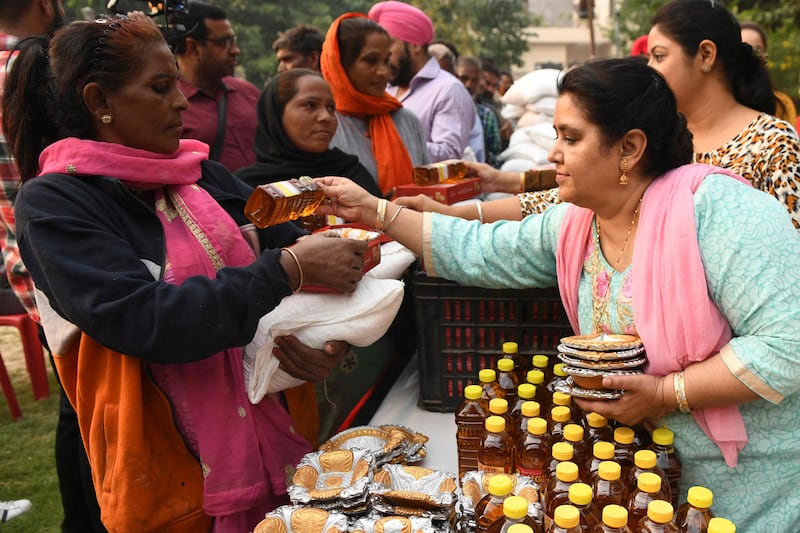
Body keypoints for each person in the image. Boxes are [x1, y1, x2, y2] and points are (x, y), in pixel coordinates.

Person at [317, 58, 800, 531]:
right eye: (555, 136)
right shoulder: (578, 222)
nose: (553, 154)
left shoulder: (719, 211)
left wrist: (664, 393)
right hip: (640, 472)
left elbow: (788, 344)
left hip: (747, 478)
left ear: (629, 147)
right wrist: (377, 211)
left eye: (570, 138)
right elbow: (480, 249)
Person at [3, 15, 368, 532]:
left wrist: (325, 342)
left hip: (280, 429)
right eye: (159, 87)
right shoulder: (57, 203)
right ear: (99, 103)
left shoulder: (200, 174)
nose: (180, 101)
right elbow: (142, 319)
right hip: (169, 467)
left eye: (175, 82)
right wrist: (284, 271)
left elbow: (296, 248)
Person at [0, 2, 108, 532]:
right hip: (76, 254)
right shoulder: (49, 68)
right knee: (97, 410)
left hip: (23, 258)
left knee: (79, 407)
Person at [648, 0, 800, 229]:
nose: (650, 68)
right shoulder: (654, 138)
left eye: (659, 56)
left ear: (706, 55)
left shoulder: (773, 142)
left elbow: (791, 245)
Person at [320, 13, 428, 196]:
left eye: (386, 61)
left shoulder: (406, 120)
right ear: (340, 64)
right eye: (370, 61)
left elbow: (428, 188)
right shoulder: (323, 123)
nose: (384, 72)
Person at [368, 0, 475, 162]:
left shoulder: (448, 90)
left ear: (415, 45)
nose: (384, 55)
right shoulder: (385, 88)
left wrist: (388, 141)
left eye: (389, 45)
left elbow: (450, 155)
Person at [171, 0, 260, 172]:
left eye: (233, 41)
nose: (235, 50)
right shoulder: (168, 105)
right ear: (193, 48)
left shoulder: (248, 92)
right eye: (224, 42)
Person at [739, 20, 798, 125]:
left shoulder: (782, 104)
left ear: (765, 54)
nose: (749, 55)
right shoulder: (720, 100)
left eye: (756, 49)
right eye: (743, 48)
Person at [457, 56, 502, 167]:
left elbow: (495, 154)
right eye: (464, 78)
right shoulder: (440, 111)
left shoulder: (486, 116)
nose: (468, 84)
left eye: (474, 80)